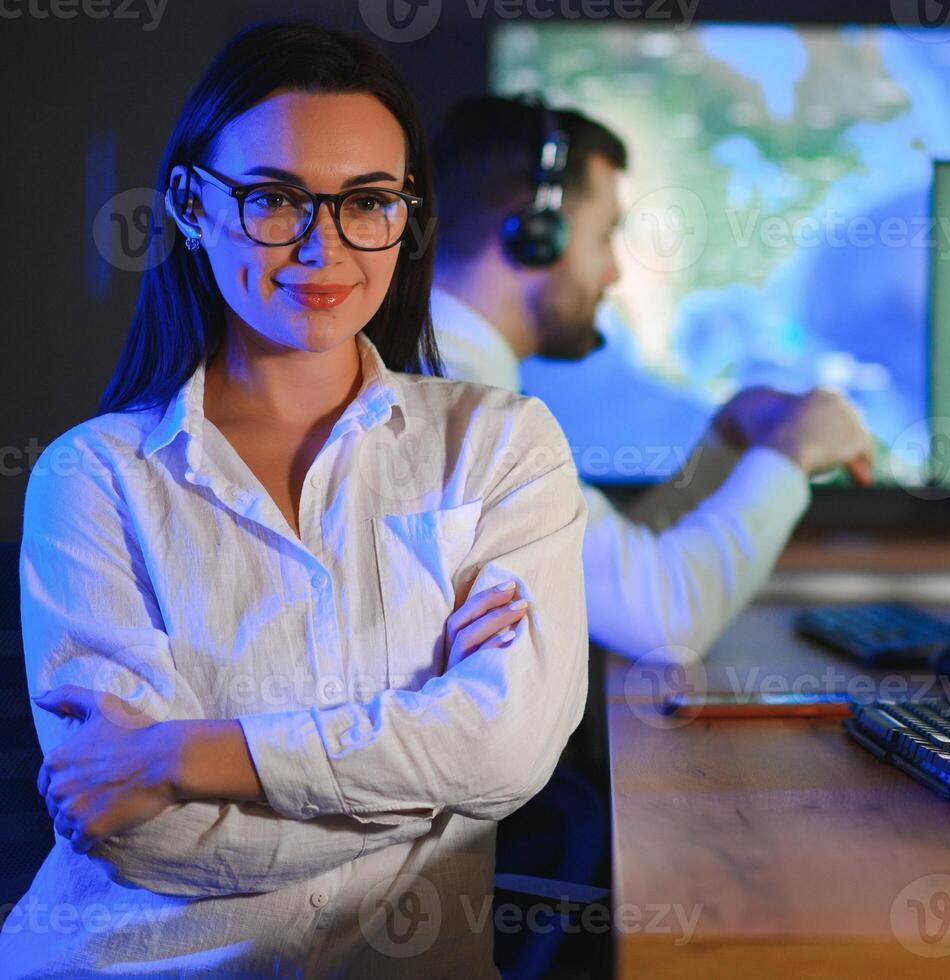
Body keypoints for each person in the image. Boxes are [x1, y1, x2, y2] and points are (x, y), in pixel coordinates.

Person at [3, 22, 586, 977]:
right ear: (190, 204)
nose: (323, 248)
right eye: (275, 198)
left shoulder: (500, 446)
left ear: (405, 216)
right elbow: (145, 843)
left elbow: (513, 752)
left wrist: (176, 757)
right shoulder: (92, 476)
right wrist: (437, 784)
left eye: (367, 202)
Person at [430, 96, 875, 664]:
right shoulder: (471, 414)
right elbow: (667, 617)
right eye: (604, 236)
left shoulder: (449, 380)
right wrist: (792, 454)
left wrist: (725, 448)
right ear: (534, 235)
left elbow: (602, 570)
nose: (613, 271)